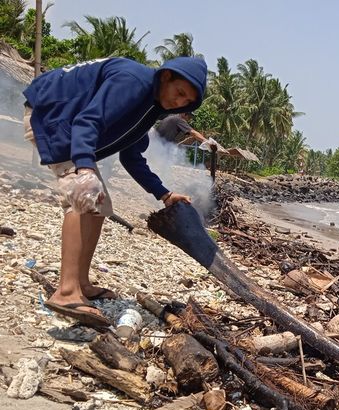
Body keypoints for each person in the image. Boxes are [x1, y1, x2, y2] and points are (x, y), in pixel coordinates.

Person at [22, 56, 208, 327]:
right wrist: (84, 169)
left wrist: (164, 194)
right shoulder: (134, 82)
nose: (179, 103)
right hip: (52, 116)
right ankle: (66, 291)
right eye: (179, 93)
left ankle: (81, 283)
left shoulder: (149, 108)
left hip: (69, 124)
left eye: (186, 101)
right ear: (166, 76)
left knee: (100, 206)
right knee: (81, 198)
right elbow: (87, 121)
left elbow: (131, 156)